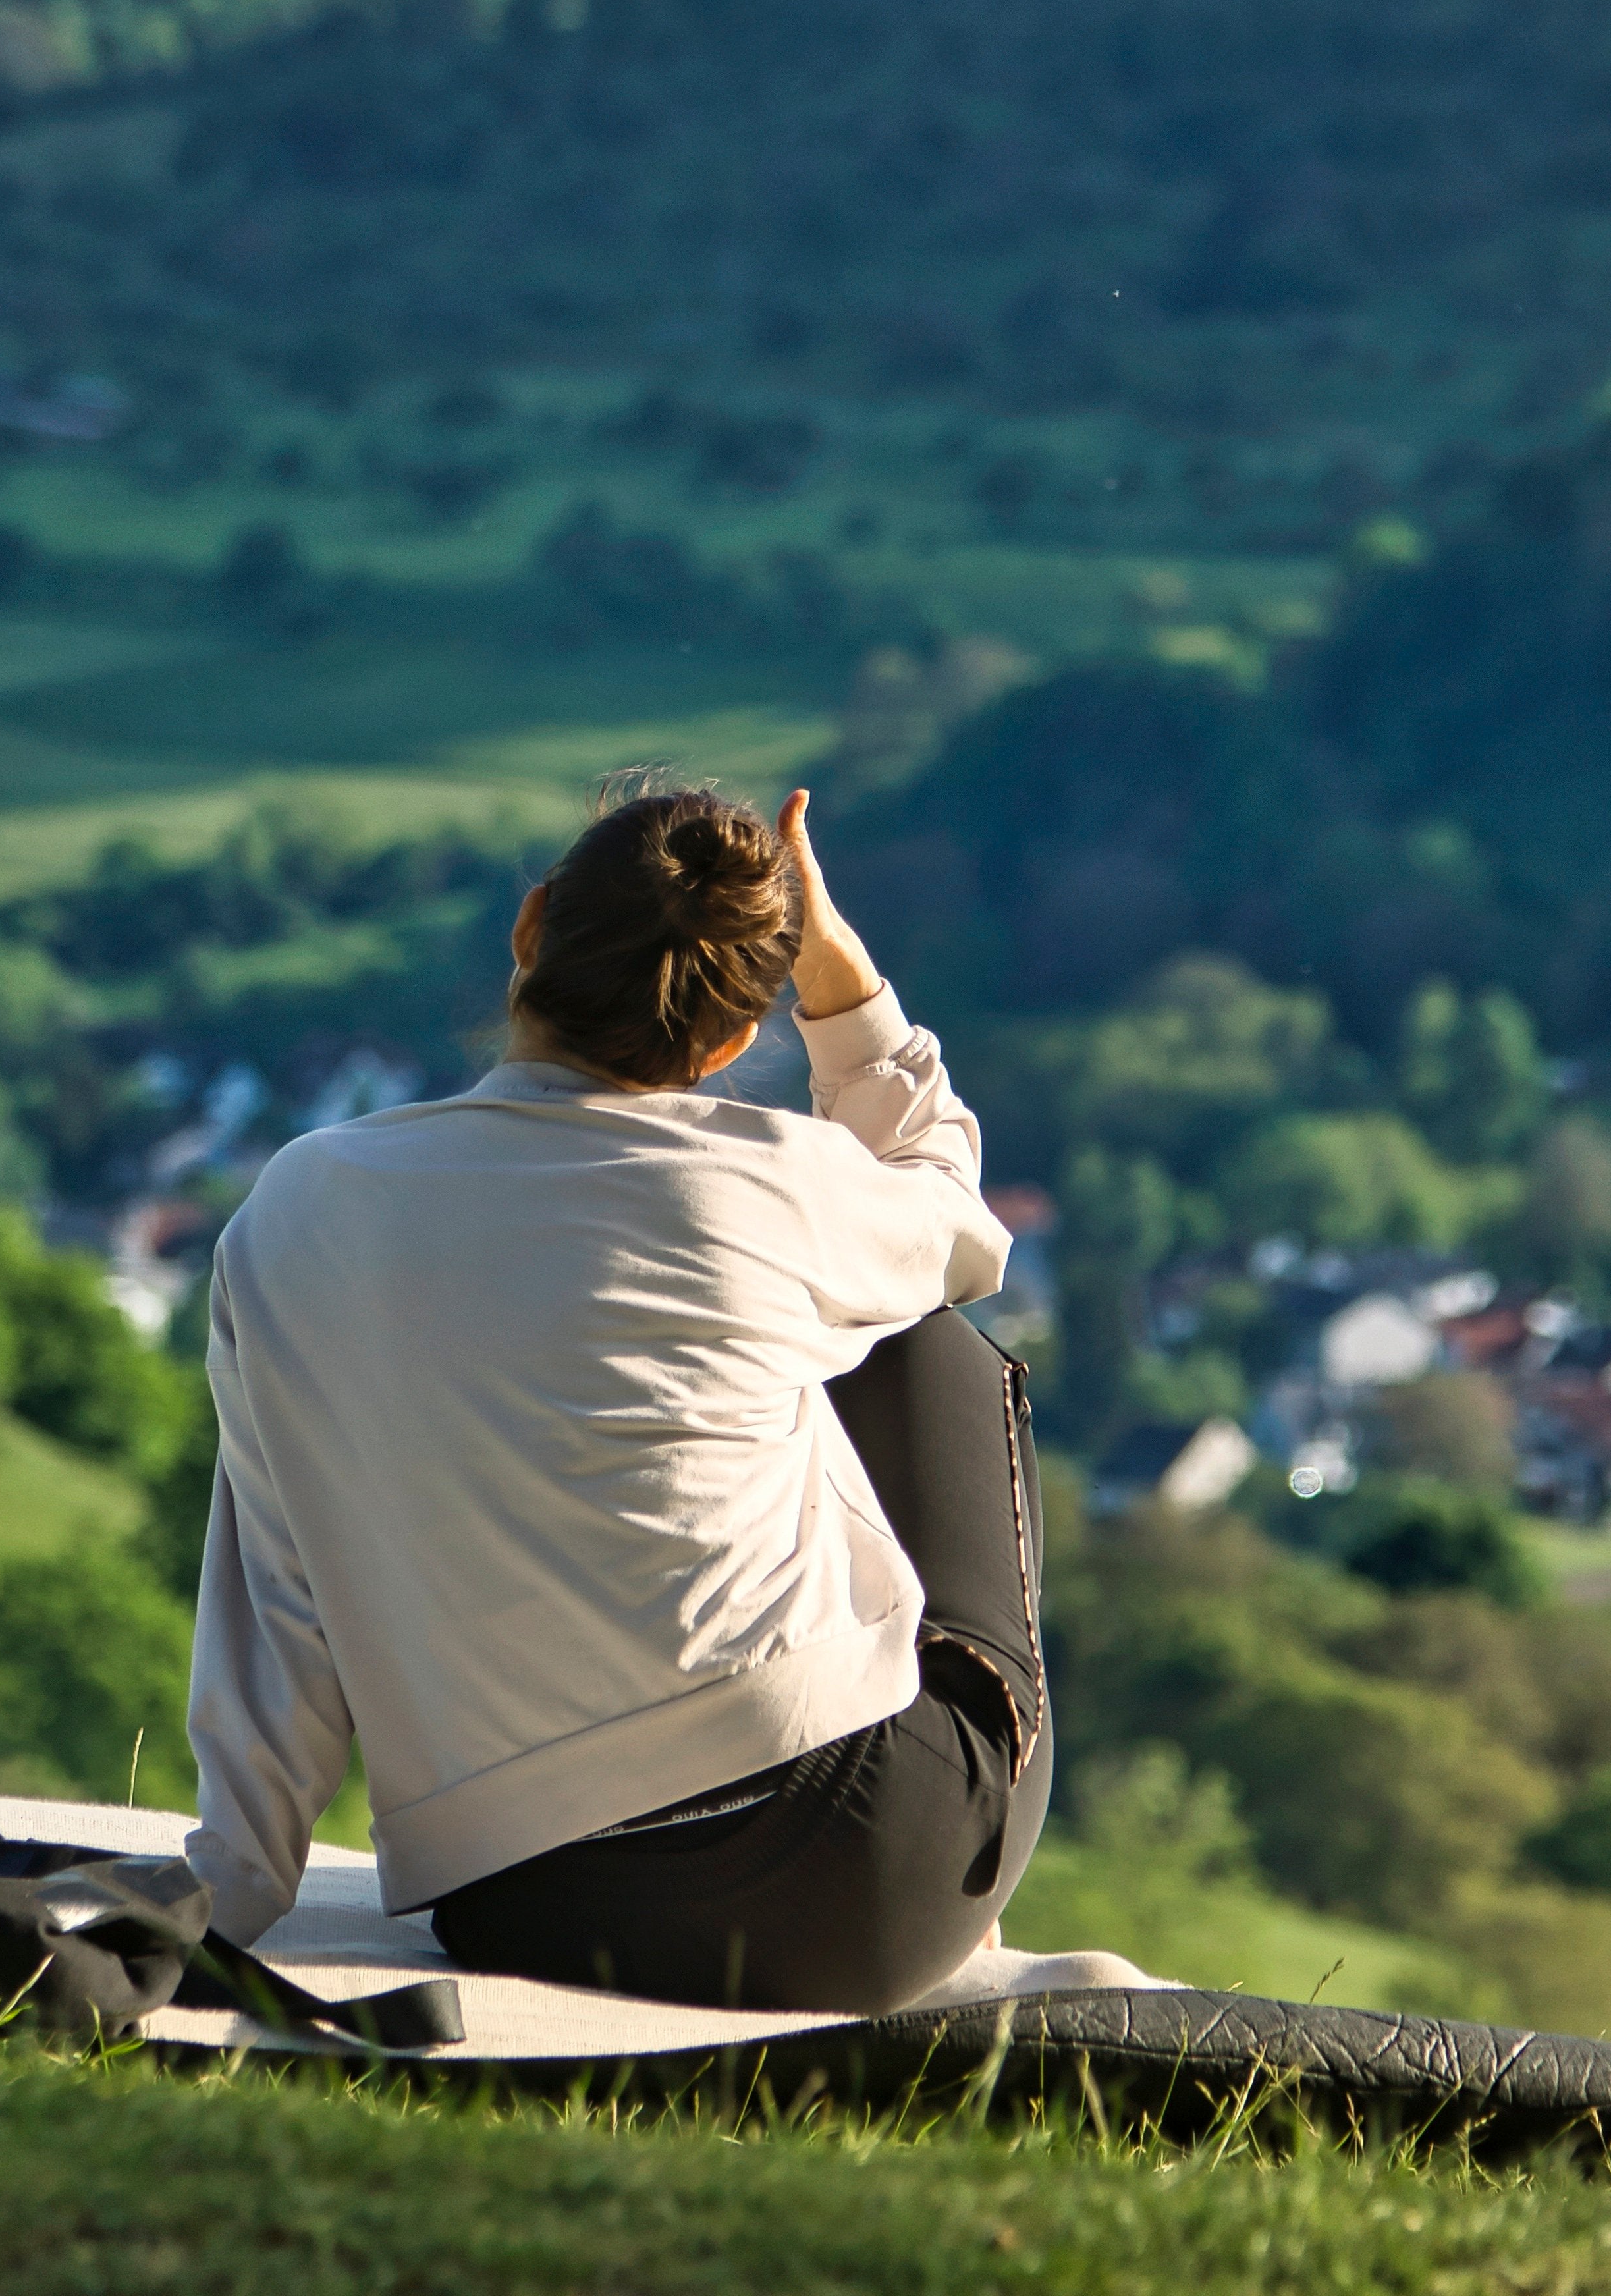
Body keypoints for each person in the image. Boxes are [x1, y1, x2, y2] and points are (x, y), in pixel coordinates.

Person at [182, 778, 1049, 2013]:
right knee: (920, 1336)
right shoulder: (780, 1185)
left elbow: (281, 1581)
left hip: (524, 1903)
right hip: (855, 1889)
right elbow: (956, 1221)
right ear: (733, 1041)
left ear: (530, 927)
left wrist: (238, 1877)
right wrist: (845, 991)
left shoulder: (301, 1206)